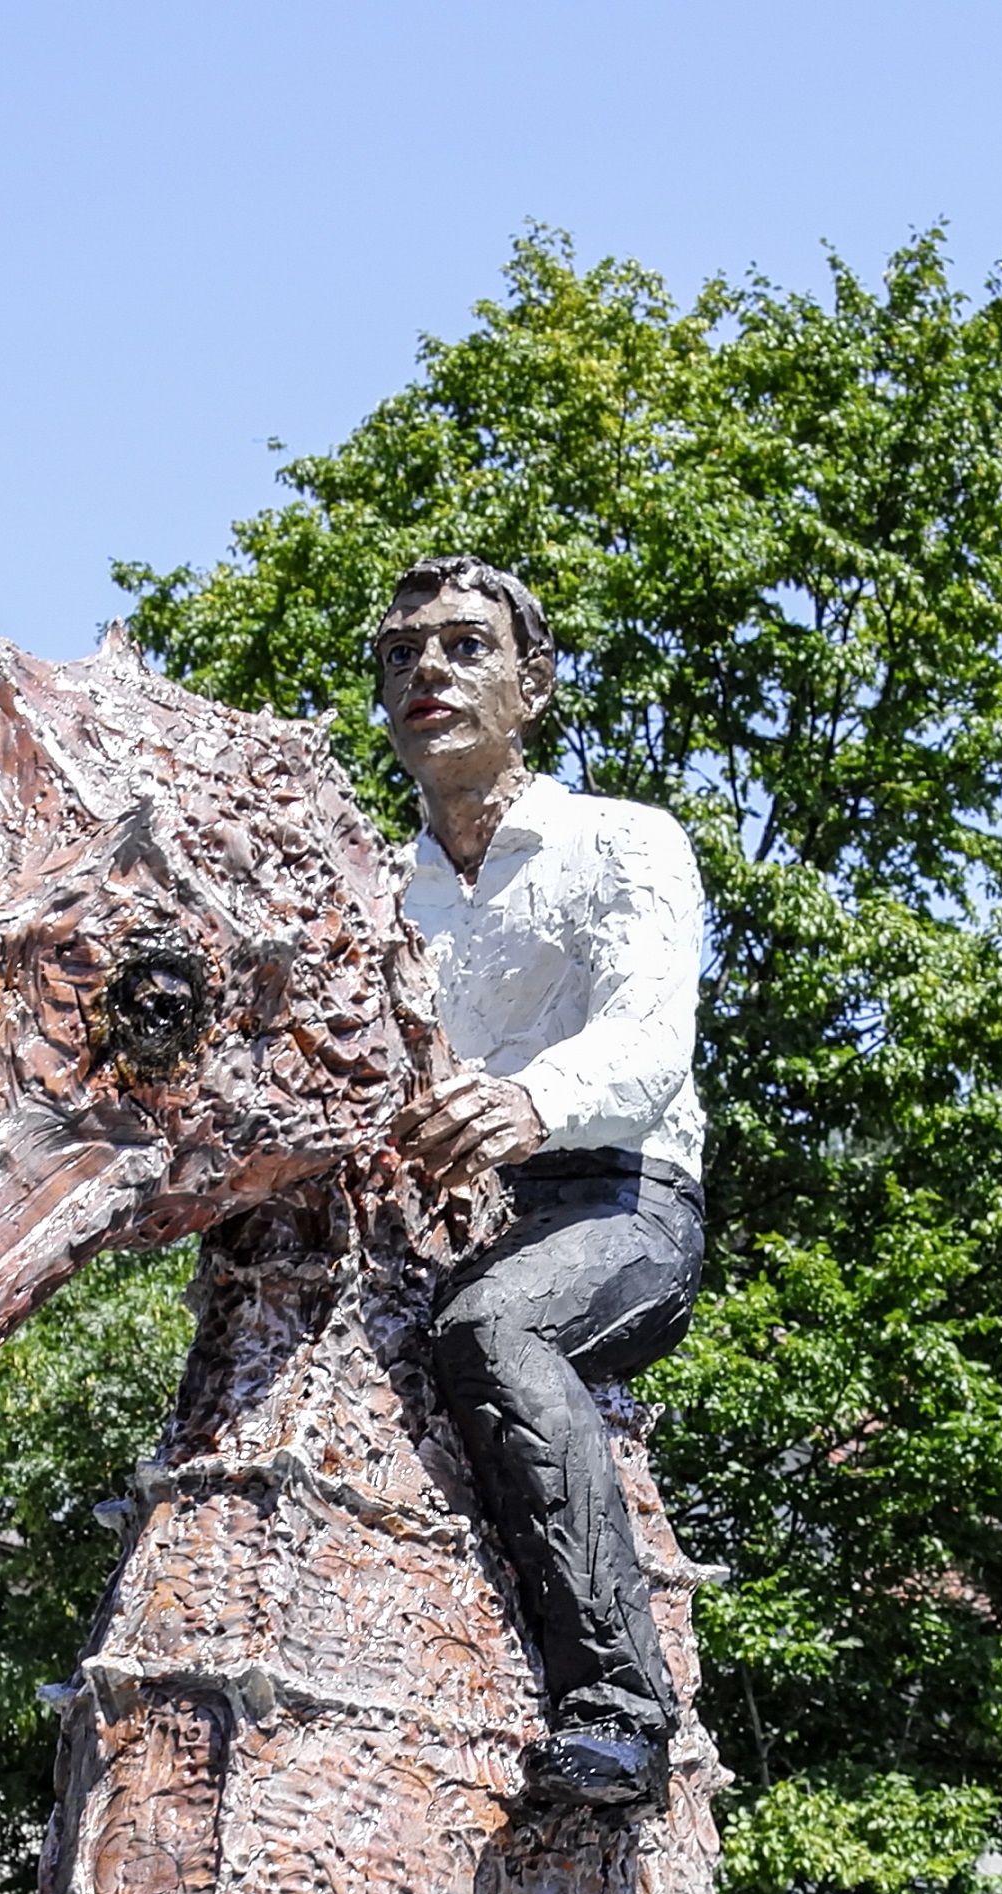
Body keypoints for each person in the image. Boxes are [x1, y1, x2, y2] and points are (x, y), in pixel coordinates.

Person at [375, 556, 709, 1812]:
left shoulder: (623, 841)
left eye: (465, 647)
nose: (430, 674)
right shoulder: (379, 895)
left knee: (492, 1331)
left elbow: (646, 1039)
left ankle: (621, 1710)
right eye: (405, 655)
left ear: (533, 682)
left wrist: (527, 1101)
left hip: (619, 1197)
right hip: (446, 1217)